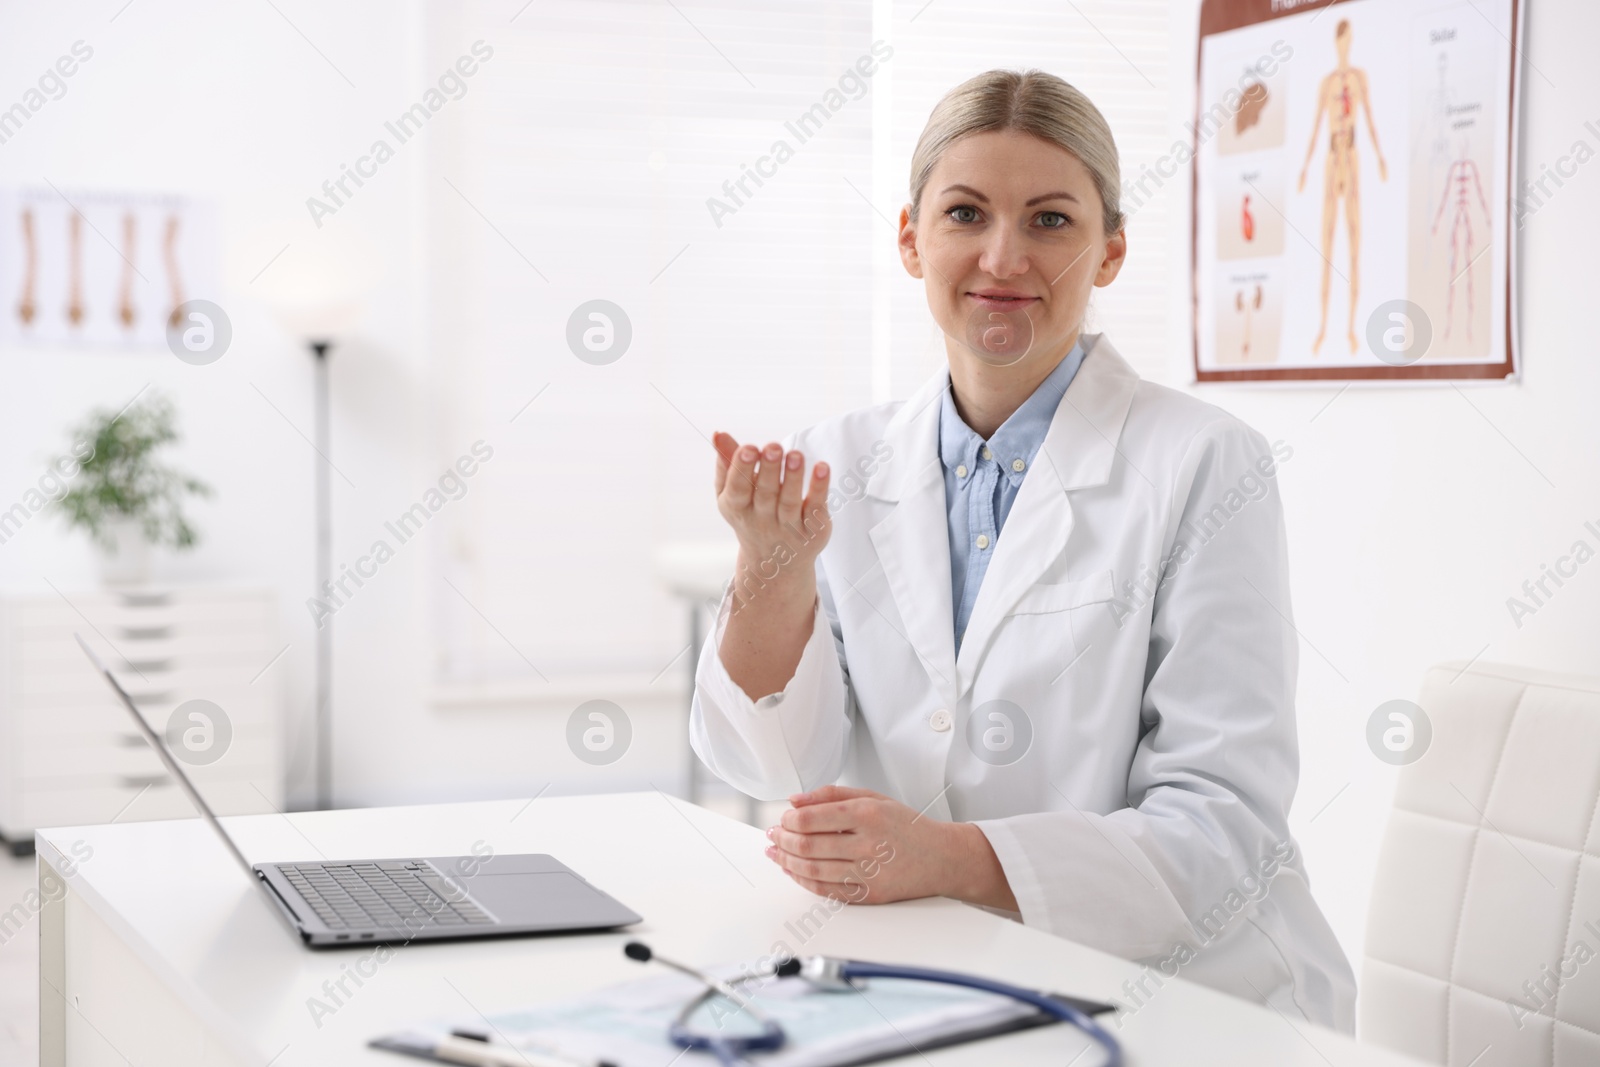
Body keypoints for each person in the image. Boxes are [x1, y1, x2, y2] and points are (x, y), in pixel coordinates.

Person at [691, 69, 1355, 1031]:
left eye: (1050, 220)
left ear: (1111, 249)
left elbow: (1225, 827)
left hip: (1195, 1000)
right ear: (913, 239)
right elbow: (764, 767)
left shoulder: (1205, 462)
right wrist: (770, 578)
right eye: (966, 213)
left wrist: (952, 856)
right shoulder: (841, 455)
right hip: (938, 972)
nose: (1003, 256)